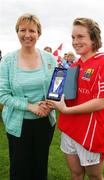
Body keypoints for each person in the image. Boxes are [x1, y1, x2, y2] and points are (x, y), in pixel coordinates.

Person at [47, 17, 104, 180]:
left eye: (80, 37)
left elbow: (101, 102)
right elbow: (65, 96)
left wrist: (66, 109)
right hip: (69, 129)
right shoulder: (72, 66)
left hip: (91, 133)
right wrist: (50, 103)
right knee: (76, 174)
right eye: (73, 37)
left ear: (93, 39)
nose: (75, 41)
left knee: (95, 176)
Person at [0, 13, 56, 180]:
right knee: (19, 169)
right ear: (17, 32)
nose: (27, 35)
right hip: (18, 124)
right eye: (22, 30)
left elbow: (56, 90)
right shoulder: (7, 61)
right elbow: (3, 95)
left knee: (40, 168)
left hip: (44, 123)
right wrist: (31, 106)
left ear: (39, 33)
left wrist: (49, 105)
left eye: (32, 30)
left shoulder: (50, 59)